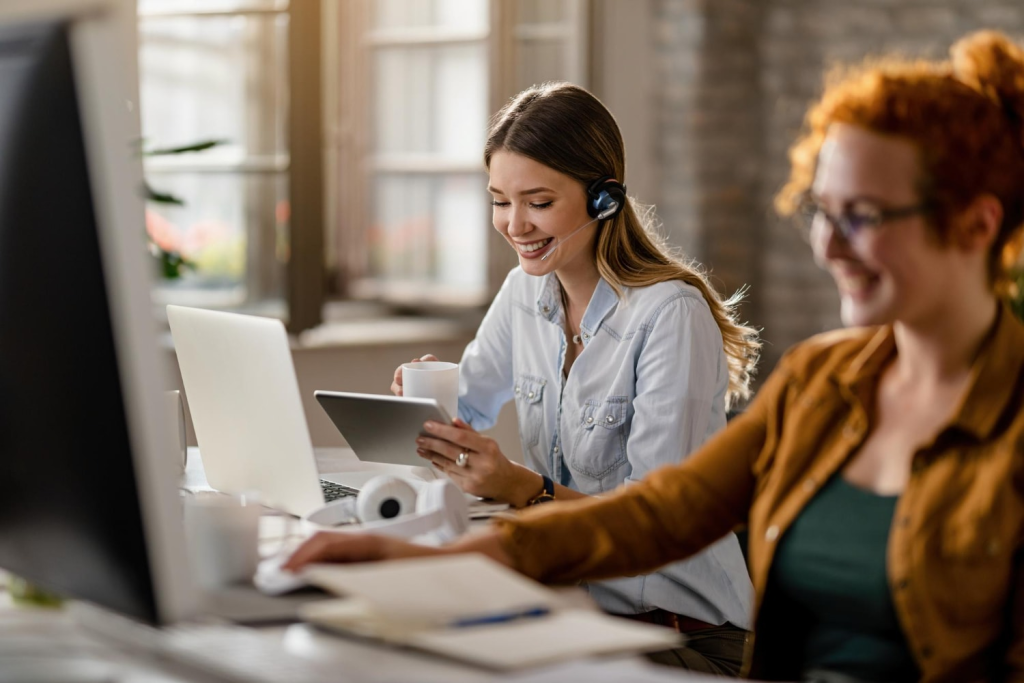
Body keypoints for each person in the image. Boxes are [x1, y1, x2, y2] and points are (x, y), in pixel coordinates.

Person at [293, 31, 1024, 678]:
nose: (827, 246)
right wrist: (405, 563)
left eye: (860, 216)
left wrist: (511, 497)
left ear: (974, 224)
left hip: (681, 631)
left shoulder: (1008, 416)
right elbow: (655, 515)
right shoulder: (821, 381)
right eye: (819, 211)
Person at [390, 82, 761, 674]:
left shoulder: (671, 315)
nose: (514, 224)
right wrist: (428, 393)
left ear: (604, 200)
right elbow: (471, 407)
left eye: (538, 202)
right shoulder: (525, 291)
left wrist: (520, 488)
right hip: (574, 614)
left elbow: (656, 526)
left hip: (680, 636)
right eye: (498, 200)